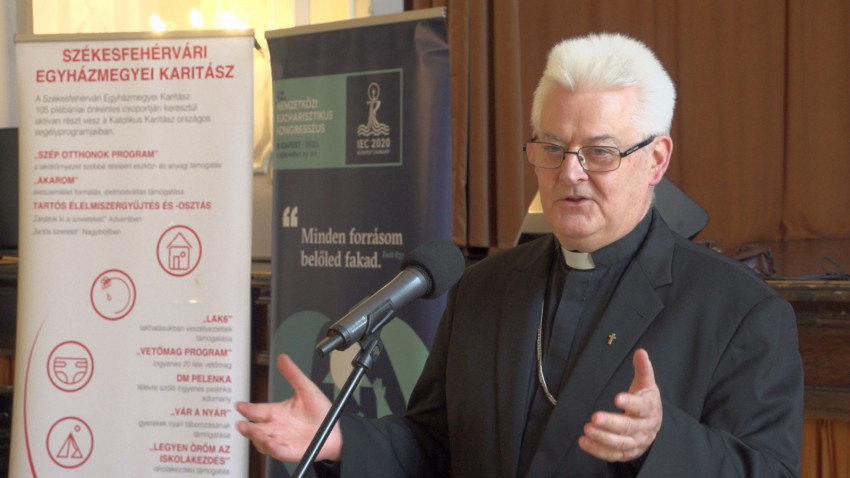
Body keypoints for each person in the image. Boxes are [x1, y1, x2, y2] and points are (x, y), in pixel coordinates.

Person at [236, 32, 804, 477]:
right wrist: (341, 440)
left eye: (599, 153)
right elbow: (434, 446)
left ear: (656, 160)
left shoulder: (738, 311)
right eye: (552, 148)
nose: (570, 173)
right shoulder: (484, 288)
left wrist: (661, 441)